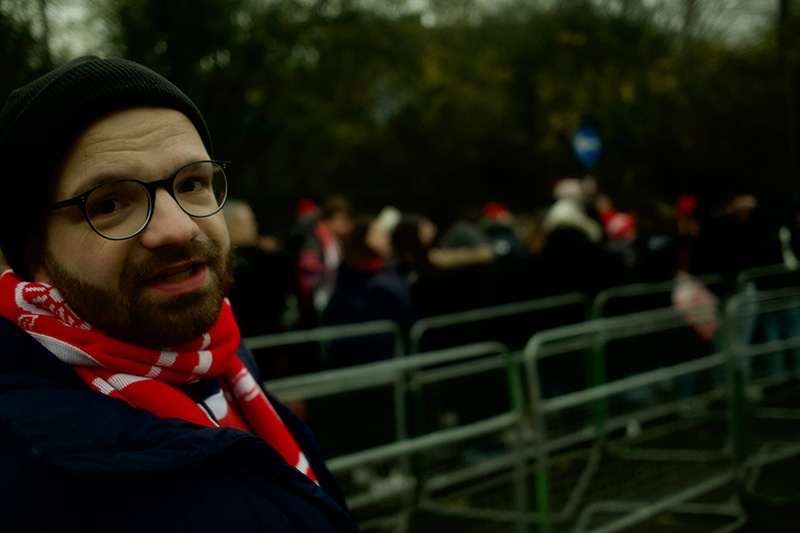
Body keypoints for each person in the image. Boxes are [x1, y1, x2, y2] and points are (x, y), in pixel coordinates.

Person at [0, 56, 357, 531]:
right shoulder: (20, 474)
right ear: (34, 252)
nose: (177, 227)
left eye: (192, 183)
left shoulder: (225, 363)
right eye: (108, 203)